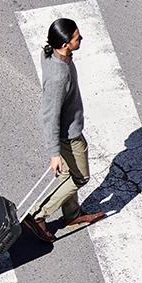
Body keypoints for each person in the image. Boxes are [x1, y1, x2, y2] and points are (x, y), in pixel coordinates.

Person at [21, 18, 106, 242]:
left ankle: (72, 214)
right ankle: (38, 215)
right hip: (69, 135)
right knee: (80, 177)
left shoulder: (50, 52)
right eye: (78, 37)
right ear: (66, 43)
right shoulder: (59, 76)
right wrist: (54, 153)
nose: (82, 38)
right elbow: (49, 116)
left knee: (69, 175)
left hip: (68, 130)